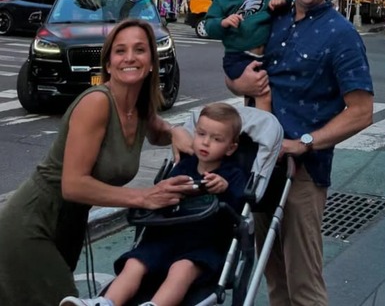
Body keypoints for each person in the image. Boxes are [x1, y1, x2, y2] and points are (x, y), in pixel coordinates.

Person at [0, 18, 197, 305]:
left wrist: (177, 131)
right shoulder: (97, 103)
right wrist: (144, 197)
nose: (130, 57)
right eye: (120, 51)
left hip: (68, 226)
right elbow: (73, 185)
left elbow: (157, 131)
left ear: (152, 62)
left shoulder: (139, 106)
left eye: (140, 50)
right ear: (108, 64)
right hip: (32, 222)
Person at [226, 0, 373, 305]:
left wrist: (306, 142)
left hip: (302, 169)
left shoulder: (341, 35)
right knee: (271, 275)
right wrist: (237, 84)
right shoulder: (272, 18)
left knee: (304, 284)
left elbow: (361, 110)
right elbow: (241, 70)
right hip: (260, 161)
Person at [60, 103, 247, 306]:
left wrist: (226, 189)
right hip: (166, 237)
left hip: (202, 245)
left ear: (231, 148)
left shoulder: (233, 175)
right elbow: (162, 197)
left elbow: (238, 212)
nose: (206, 142)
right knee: (134, 263)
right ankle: (105, 302)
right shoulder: (184, 165)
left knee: (181, 269)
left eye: (216, 139)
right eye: (201, 134)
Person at [204, 0, 291, 111]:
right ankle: (263, 132)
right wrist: (223, 22)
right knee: (262, 93)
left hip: (265, 55)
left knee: (256, 95)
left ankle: (252, 123)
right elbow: (209, 26)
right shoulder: (221, 1)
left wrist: (281, 1)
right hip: (237, 57)